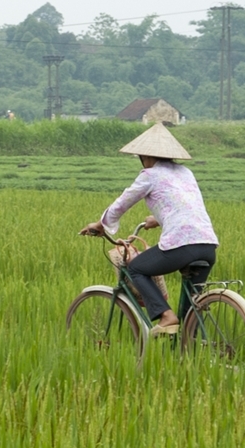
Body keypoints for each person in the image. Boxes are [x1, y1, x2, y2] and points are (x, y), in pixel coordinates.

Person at [79, 123, 218, 336]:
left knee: (136, 269)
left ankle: (166, 316)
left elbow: (122, 203)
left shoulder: (150, 174)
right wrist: (159, 218)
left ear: (146, 156)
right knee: (192, 308)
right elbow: (185, 207)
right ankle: (191, 348)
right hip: (207, 245)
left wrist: (101, 224)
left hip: (181, 246)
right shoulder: (185, 172)